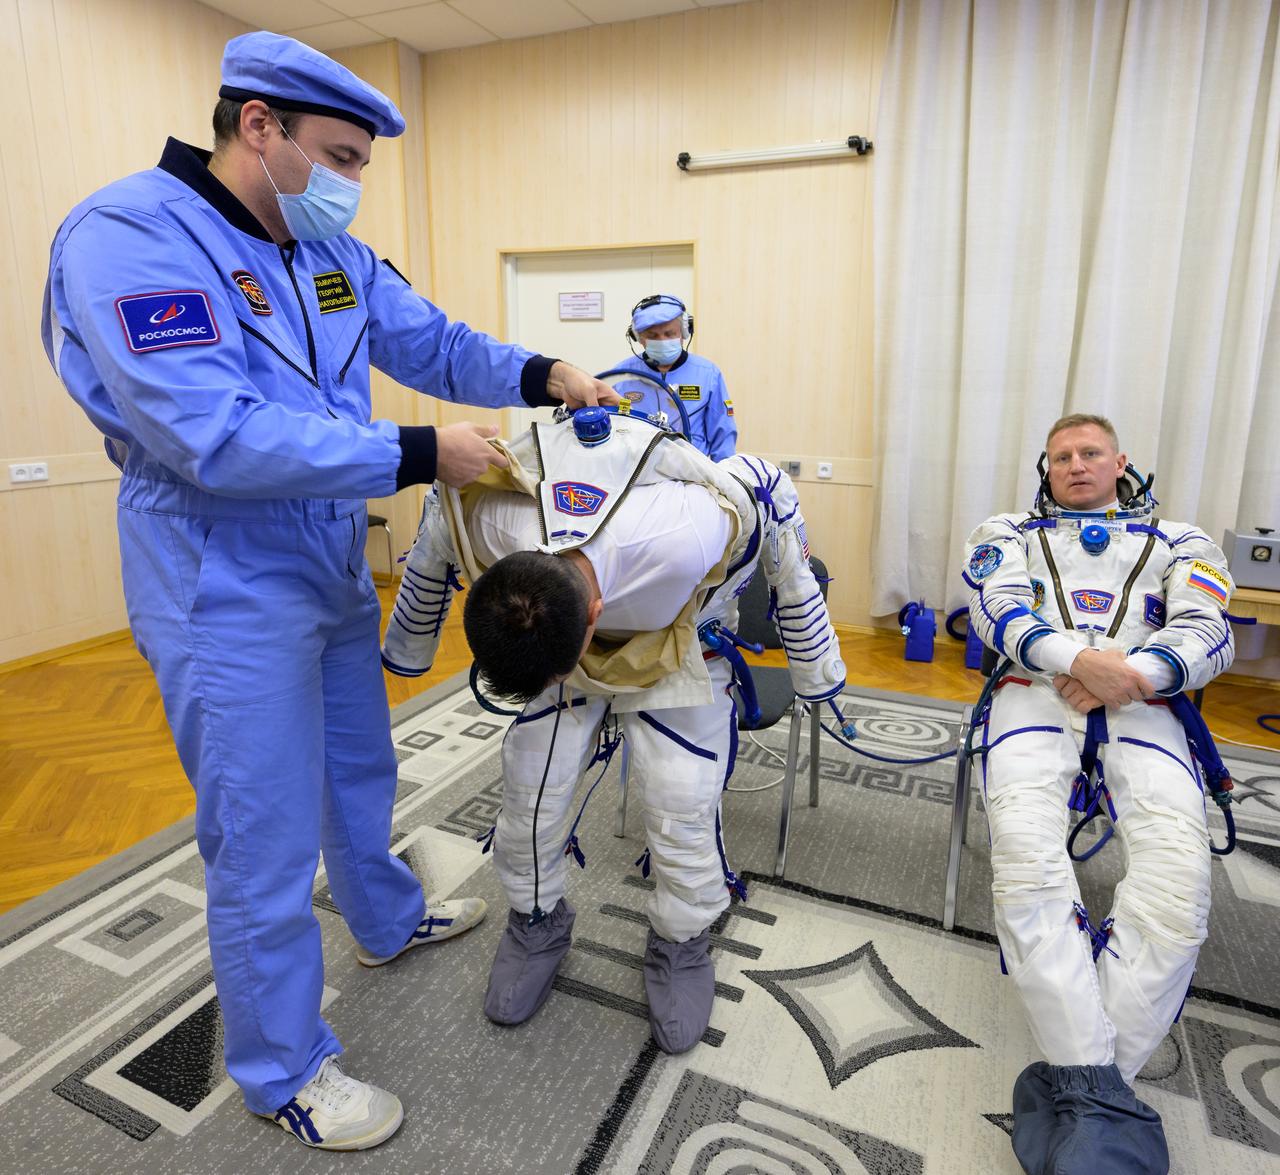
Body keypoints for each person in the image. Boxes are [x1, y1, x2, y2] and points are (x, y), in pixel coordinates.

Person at [41, 31, 618, 1151]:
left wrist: (542, 372)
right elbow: (210, 432)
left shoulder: (321, 254)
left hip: (324, 552)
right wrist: (414, 453)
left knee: (359, 760)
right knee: (258, 835)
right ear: (257, 125)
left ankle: (383, 917)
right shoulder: (131, 236)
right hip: (218, 570)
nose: (351, 184)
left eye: (362, 164)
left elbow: (427, 340)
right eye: (339, 155)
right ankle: (282, 1068)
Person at [382, 407, 844, 1053]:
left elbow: (770, 492)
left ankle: (682, 937)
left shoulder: (692, 532)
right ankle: (537, 918)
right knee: (529, 788)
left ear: (594, 616)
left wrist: (816, 666)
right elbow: (439, 525)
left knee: (681, 795)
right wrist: (409, 647)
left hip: (682, 643)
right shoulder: (489, 520)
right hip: (559, 631)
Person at [962, 414, 1235, 1175]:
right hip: (1034, 687)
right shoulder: (1007, 529)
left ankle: (1084, 1083)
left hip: (1145, 698)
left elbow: (1210, 631)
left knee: (1179, 883)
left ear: (1121, 462)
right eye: (1061, 458)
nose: (1076, 466)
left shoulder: (1182, 541)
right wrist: (1083, 659)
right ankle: (1103, 1097)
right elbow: (996, 608)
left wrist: (1135, 675)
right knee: (1024, 859)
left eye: (1090, 454)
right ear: (1044, 470)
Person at [608, 294, 737, 459]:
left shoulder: (708, 373)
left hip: (693, 473)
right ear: (639, 338)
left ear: (684, 332)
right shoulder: (621, 375)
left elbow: (723, 433)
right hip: (639, 471)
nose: (662, 340)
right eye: (653, 336)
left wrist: (724, 478)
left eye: (669, 333)